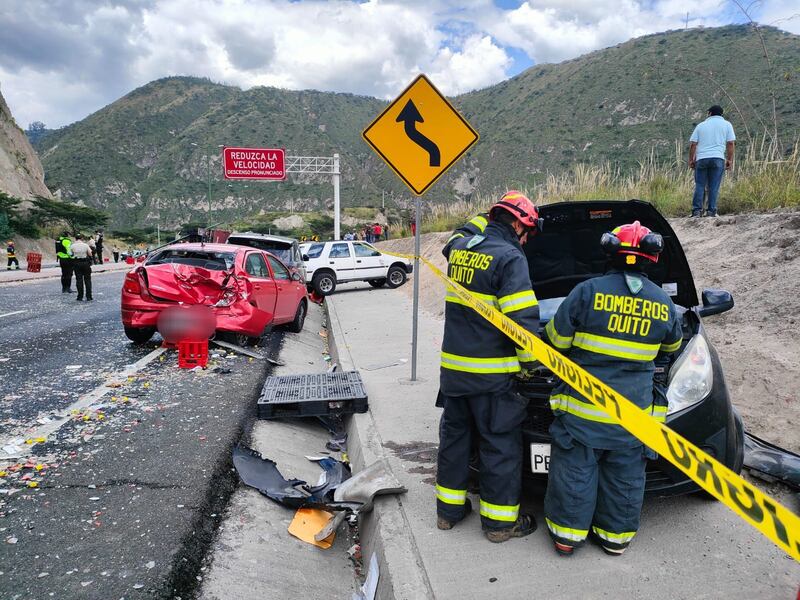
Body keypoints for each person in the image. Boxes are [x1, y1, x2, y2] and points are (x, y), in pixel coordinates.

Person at [542, 221, 683, 557]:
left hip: (582, 415)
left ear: (610, 252)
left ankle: (567, 538)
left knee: (575, 472)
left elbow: (557, 341)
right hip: (632, 418)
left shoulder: (586, 292)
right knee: (625, 479)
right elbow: (670, 349)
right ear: (651, 257)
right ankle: (614, 539)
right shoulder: (663, 303)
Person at [436, 191, 542, 543]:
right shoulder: (510, 257)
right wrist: (531, 369)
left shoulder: (462, 248)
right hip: (492, 377)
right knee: (499, 446)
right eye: (527, 231)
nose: (526, 240)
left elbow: (455, 236)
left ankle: (448, 513)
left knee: (455, 442)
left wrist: (488, 216)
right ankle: (499, 525)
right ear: (517, 224)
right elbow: (522, 324)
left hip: (454, 373)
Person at [689, 105, 735, 217]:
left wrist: (691, 159)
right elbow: (730, 143)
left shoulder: (701, 126)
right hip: (718, 158)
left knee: (700, 185)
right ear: (721, 114)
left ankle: (696, 211)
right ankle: (711, 211)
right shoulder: (727, 125)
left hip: (702, 159)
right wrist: (729, 159)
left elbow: (693, 144)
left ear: (709, 113)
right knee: (714, 186)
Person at [69, 233, 93, 301]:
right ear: (82, 238)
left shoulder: (72, 246)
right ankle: (89, 296)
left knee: (79, 280)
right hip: (85, 263)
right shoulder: (85, 245)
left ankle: (80, 296)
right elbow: (90, 253)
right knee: (87, 280)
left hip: (77, 263)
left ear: (75, 238)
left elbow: (70, 254)